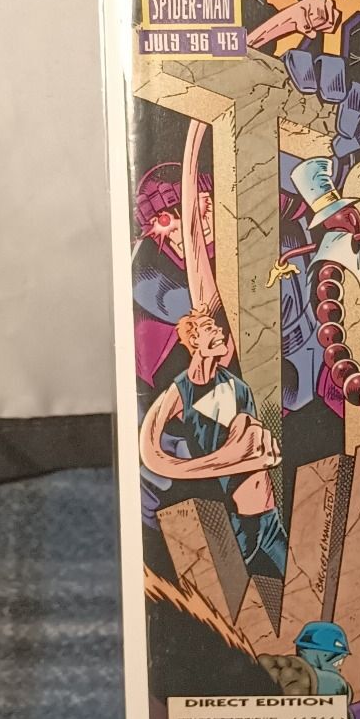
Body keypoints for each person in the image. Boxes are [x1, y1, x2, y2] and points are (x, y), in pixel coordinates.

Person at [139, 118, 287, 575]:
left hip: (267, 510)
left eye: (204, 205)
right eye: (172, 218)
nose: (198, 219)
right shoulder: (152, 279)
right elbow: (152, 451)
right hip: (219, 516)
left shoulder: (248, 255)